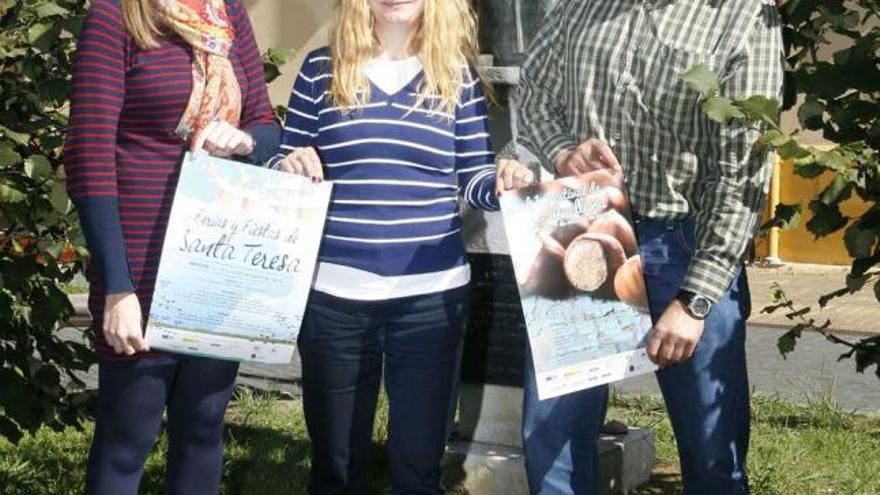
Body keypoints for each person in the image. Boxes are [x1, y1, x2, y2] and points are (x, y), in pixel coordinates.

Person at [514, 1, 784, 494]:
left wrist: (696, 299)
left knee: (712, 453)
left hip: (687, 247)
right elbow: (534, 94)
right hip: (584, 225)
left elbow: (742, 171)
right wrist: (563, 152)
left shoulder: (742, 14)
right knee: (551, 436)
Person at [269, 0, 533, 492]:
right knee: (336, 468)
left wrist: (503, 180)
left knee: (418, 470)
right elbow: (285, 161)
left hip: (432, 301)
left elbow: (473, 176)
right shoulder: (321, 68)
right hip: (334, 300)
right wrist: (288, 166)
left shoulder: (456, 74)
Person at [63, 0, 279, 493]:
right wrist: (118, 289)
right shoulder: (117, 16)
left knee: (203, 430)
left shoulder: (227, 16)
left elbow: (267, 126)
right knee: (127, 440)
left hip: (216, 263)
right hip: (141, 269)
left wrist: (244, 140)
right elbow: (89, 155)